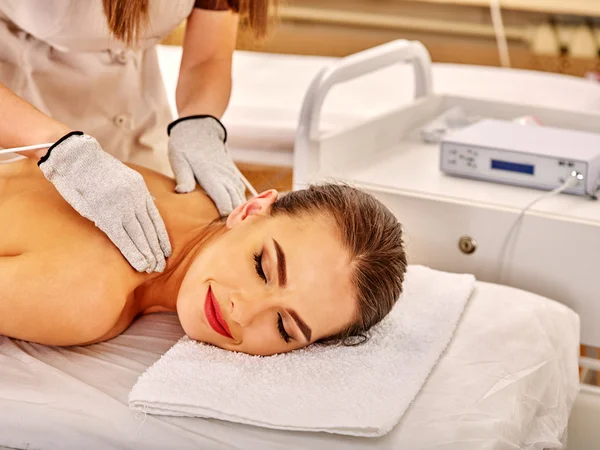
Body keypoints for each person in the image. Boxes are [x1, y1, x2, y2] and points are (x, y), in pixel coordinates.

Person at [0, 157, 407, 356]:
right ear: (249, 210)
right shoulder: (87, 298)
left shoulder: (193, 193)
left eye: (284, 327)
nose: (241, 312)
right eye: (261, 267)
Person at [0, 0, 273, 274]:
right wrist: (56, 148)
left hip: (138, 112)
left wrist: (199, 119)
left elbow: (209, 56)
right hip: (19, 116)